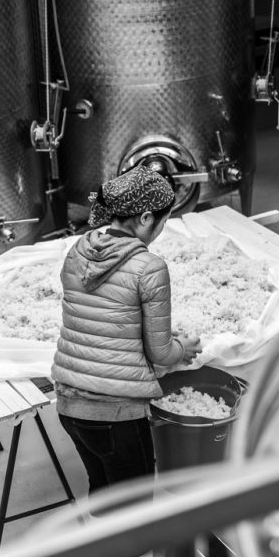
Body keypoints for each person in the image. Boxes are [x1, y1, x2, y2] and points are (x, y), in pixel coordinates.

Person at [52, 165, 202, 500]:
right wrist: (183, 347)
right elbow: (161, 353)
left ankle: (100, 536)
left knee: (103, 492)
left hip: (68, 403)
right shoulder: (149, 267)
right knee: (135, 508)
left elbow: (104, 319)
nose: (161, 230)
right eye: (163, 222)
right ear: (147, 218)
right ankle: (132, 541)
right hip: (115, 411)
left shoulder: (78, 250)